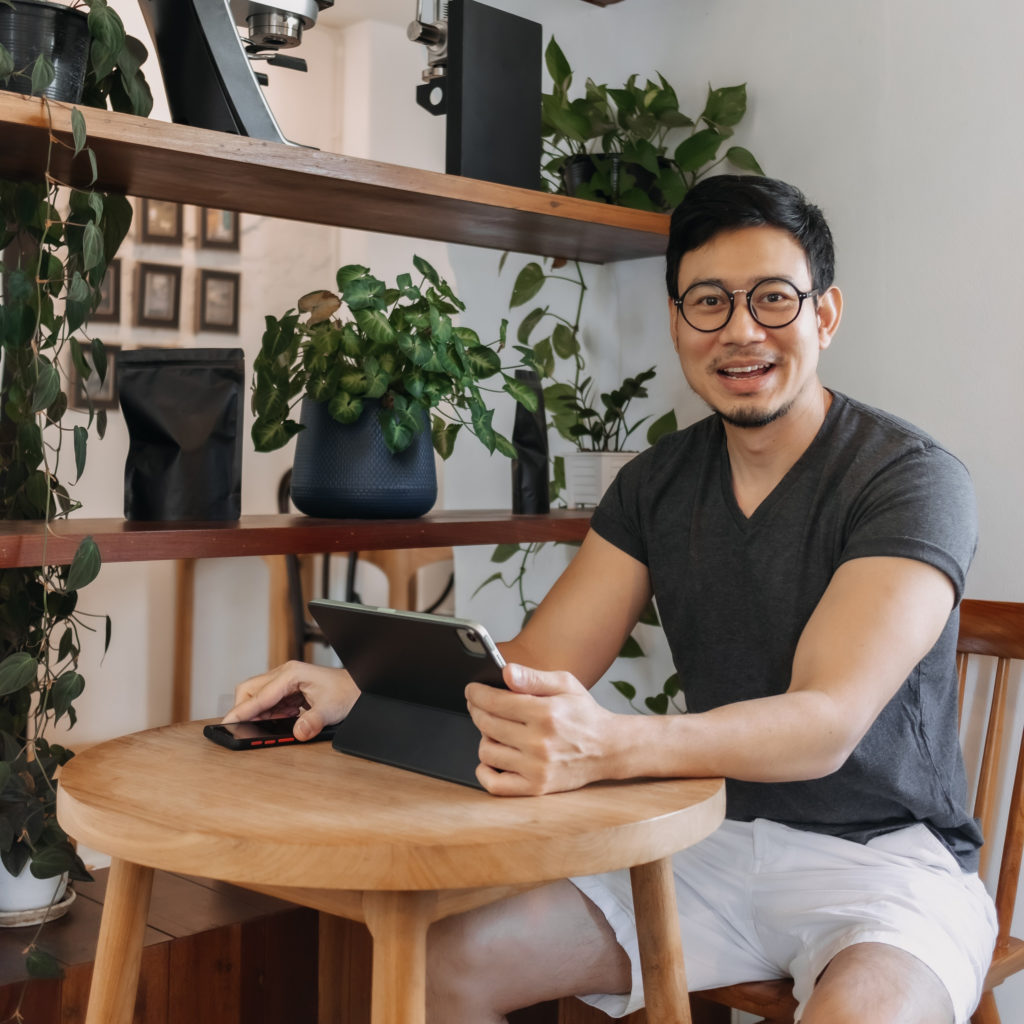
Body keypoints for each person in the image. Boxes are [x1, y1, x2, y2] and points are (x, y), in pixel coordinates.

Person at [225, 175, 998, 1024]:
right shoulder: (655, 485)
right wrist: (362, 686)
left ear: (826, 314)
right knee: (442, 968)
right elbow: (537, 662)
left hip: (886, 867)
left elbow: (825, 722)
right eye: (709, 302)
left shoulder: (910, 480)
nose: (741, 330)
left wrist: (609, 746)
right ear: (678, 323)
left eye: (774, 298)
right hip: (706, 837)